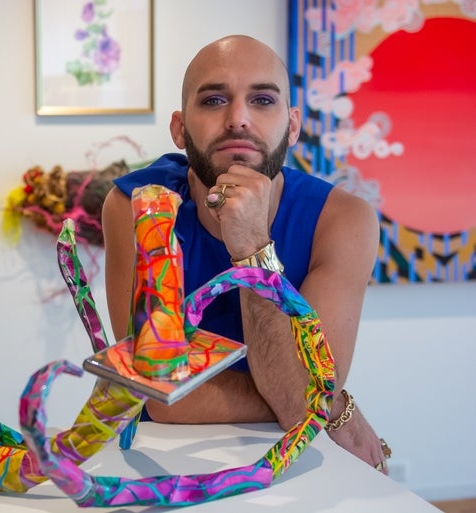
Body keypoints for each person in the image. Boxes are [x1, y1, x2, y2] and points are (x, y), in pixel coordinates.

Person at [101, 35, 391, 473]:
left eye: (261, 100)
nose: (238, 120)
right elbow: (160, 397)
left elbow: (301, 406)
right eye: (215, 100)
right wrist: (324, 401)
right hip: (162, 458)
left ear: (292, 124)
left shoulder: (343, 221)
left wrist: (252, 248)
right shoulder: (137, 205)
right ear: (180, 128)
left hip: (294, 459)